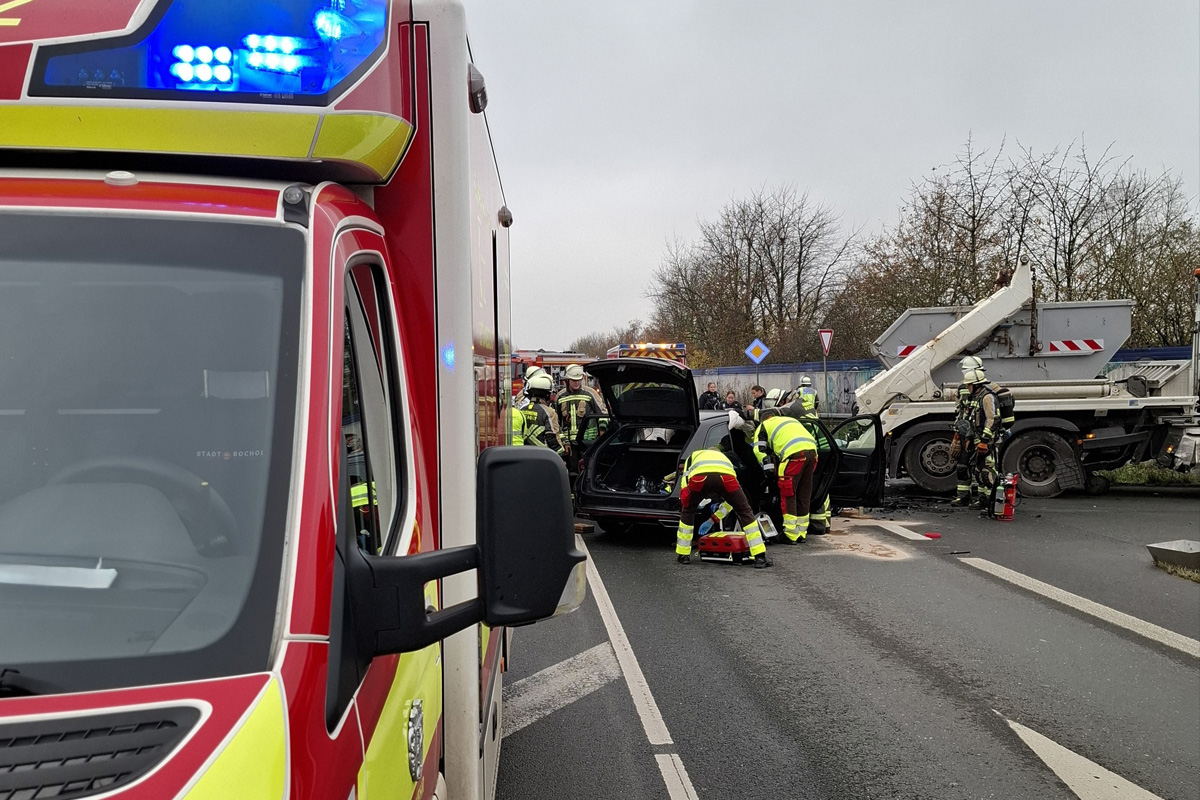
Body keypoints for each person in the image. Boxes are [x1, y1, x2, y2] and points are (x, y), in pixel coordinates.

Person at [673, 434, 769, 568]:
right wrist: (714, 519)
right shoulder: (725, 458)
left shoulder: (695, 455)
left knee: (688, 511)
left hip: (700, 478)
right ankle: (760, 557)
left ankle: (683, 555)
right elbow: (731, 500)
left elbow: (686, 478)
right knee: (744, 511)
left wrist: (685, 500)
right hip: (726, 478)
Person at [752, 414, 819, 543]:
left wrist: (766, 466)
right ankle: (801, 532)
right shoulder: (789, 420)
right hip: (812, 453)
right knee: (803, 494)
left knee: (788, 493)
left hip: (793, 456)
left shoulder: (763, 426)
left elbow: (759, 451)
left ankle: (790, 533)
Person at [555, 363, 605, 464]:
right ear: (567, 380)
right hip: (569, 444)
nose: (577, 383)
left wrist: (602, 431)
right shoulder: (560, 396)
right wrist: (563, 442)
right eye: (574, 380)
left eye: (579, 380)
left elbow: (603, 414)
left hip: (588, 441)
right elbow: (557, 423)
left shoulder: (590, 394)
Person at [521, 373, 563, 453]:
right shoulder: (549, 412)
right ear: (546, 394)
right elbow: (552, 438)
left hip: (524, 454)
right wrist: (562, 455)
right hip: (542, 455)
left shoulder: (522, 409)